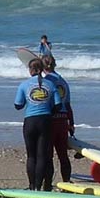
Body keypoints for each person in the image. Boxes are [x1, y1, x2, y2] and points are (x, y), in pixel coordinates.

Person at [15, 57, 58, 191]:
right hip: (45, 121)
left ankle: (32, 185)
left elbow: (18, 105)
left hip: (30, 121)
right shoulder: (50, 84)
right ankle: (39, 186)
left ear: (30, 70)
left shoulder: (24, 85)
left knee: (31, 155)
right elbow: (57, 104)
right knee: (42, 155)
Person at [41, 53, 75, 184]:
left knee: (48, 155)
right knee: (63, 155)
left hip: (51, 121)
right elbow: (68, 105)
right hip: (63, 120)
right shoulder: (63, 81)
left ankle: (48, 184)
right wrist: (71, 124)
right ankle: (66, 181)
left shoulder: (47, 81)